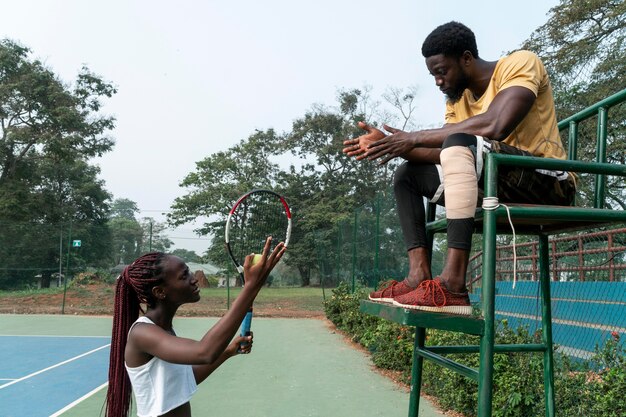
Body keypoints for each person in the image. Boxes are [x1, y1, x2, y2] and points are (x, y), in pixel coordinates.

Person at [343, 21, 575, 315]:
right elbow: (442, 152)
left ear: (466, 58)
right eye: (433, 75)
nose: (438, 81)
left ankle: (453, 284)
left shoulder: (520, 63)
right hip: (493, 182)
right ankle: (418, 275)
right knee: (408, 174)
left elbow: (496, 124)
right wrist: (391, 144)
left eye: (442, 71)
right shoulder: (458, 101)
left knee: (460, 142)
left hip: (549, 184)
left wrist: (412, 137)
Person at [105, 237, 286, 417]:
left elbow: (183, 380)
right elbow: (204, 352)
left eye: (189, 272)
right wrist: (251, 286)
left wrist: (228, 351)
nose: (193, 279)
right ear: (160, 292)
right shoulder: (142, 333)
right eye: (184, 276)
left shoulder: (163, 329)